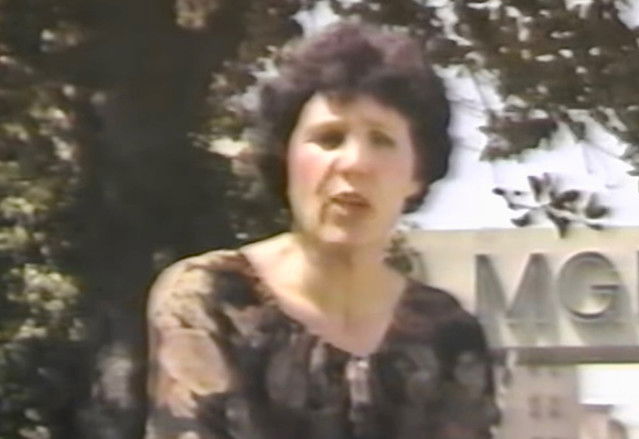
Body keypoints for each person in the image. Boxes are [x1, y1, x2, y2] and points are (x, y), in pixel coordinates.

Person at [144, 22, 499, 439]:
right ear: (286, 159)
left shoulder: (449, 333)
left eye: (382, 140)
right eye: (329, 138)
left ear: (417, 175)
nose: (354, 163)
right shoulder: (211, 297)